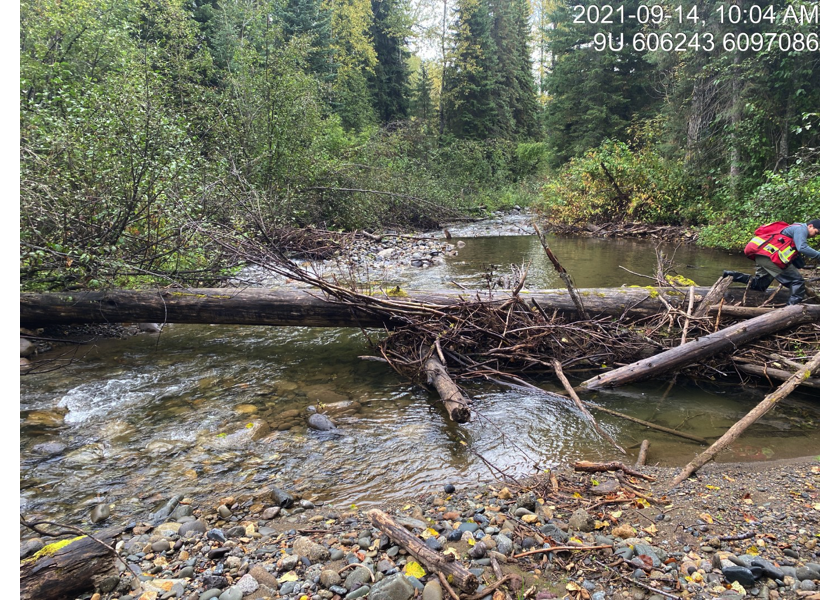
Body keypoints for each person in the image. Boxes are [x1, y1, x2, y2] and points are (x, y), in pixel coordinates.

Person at [722, 219, 820, 305]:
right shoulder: (801, 229)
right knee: (797, 281)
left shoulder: (794, 228)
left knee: (760, 284)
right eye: (816, 232)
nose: (815, 236)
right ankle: (791, 311)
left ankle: (731, 275)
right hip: (770, 257)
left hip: (763, 256)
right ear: (810, 226)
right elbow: (802, 247)